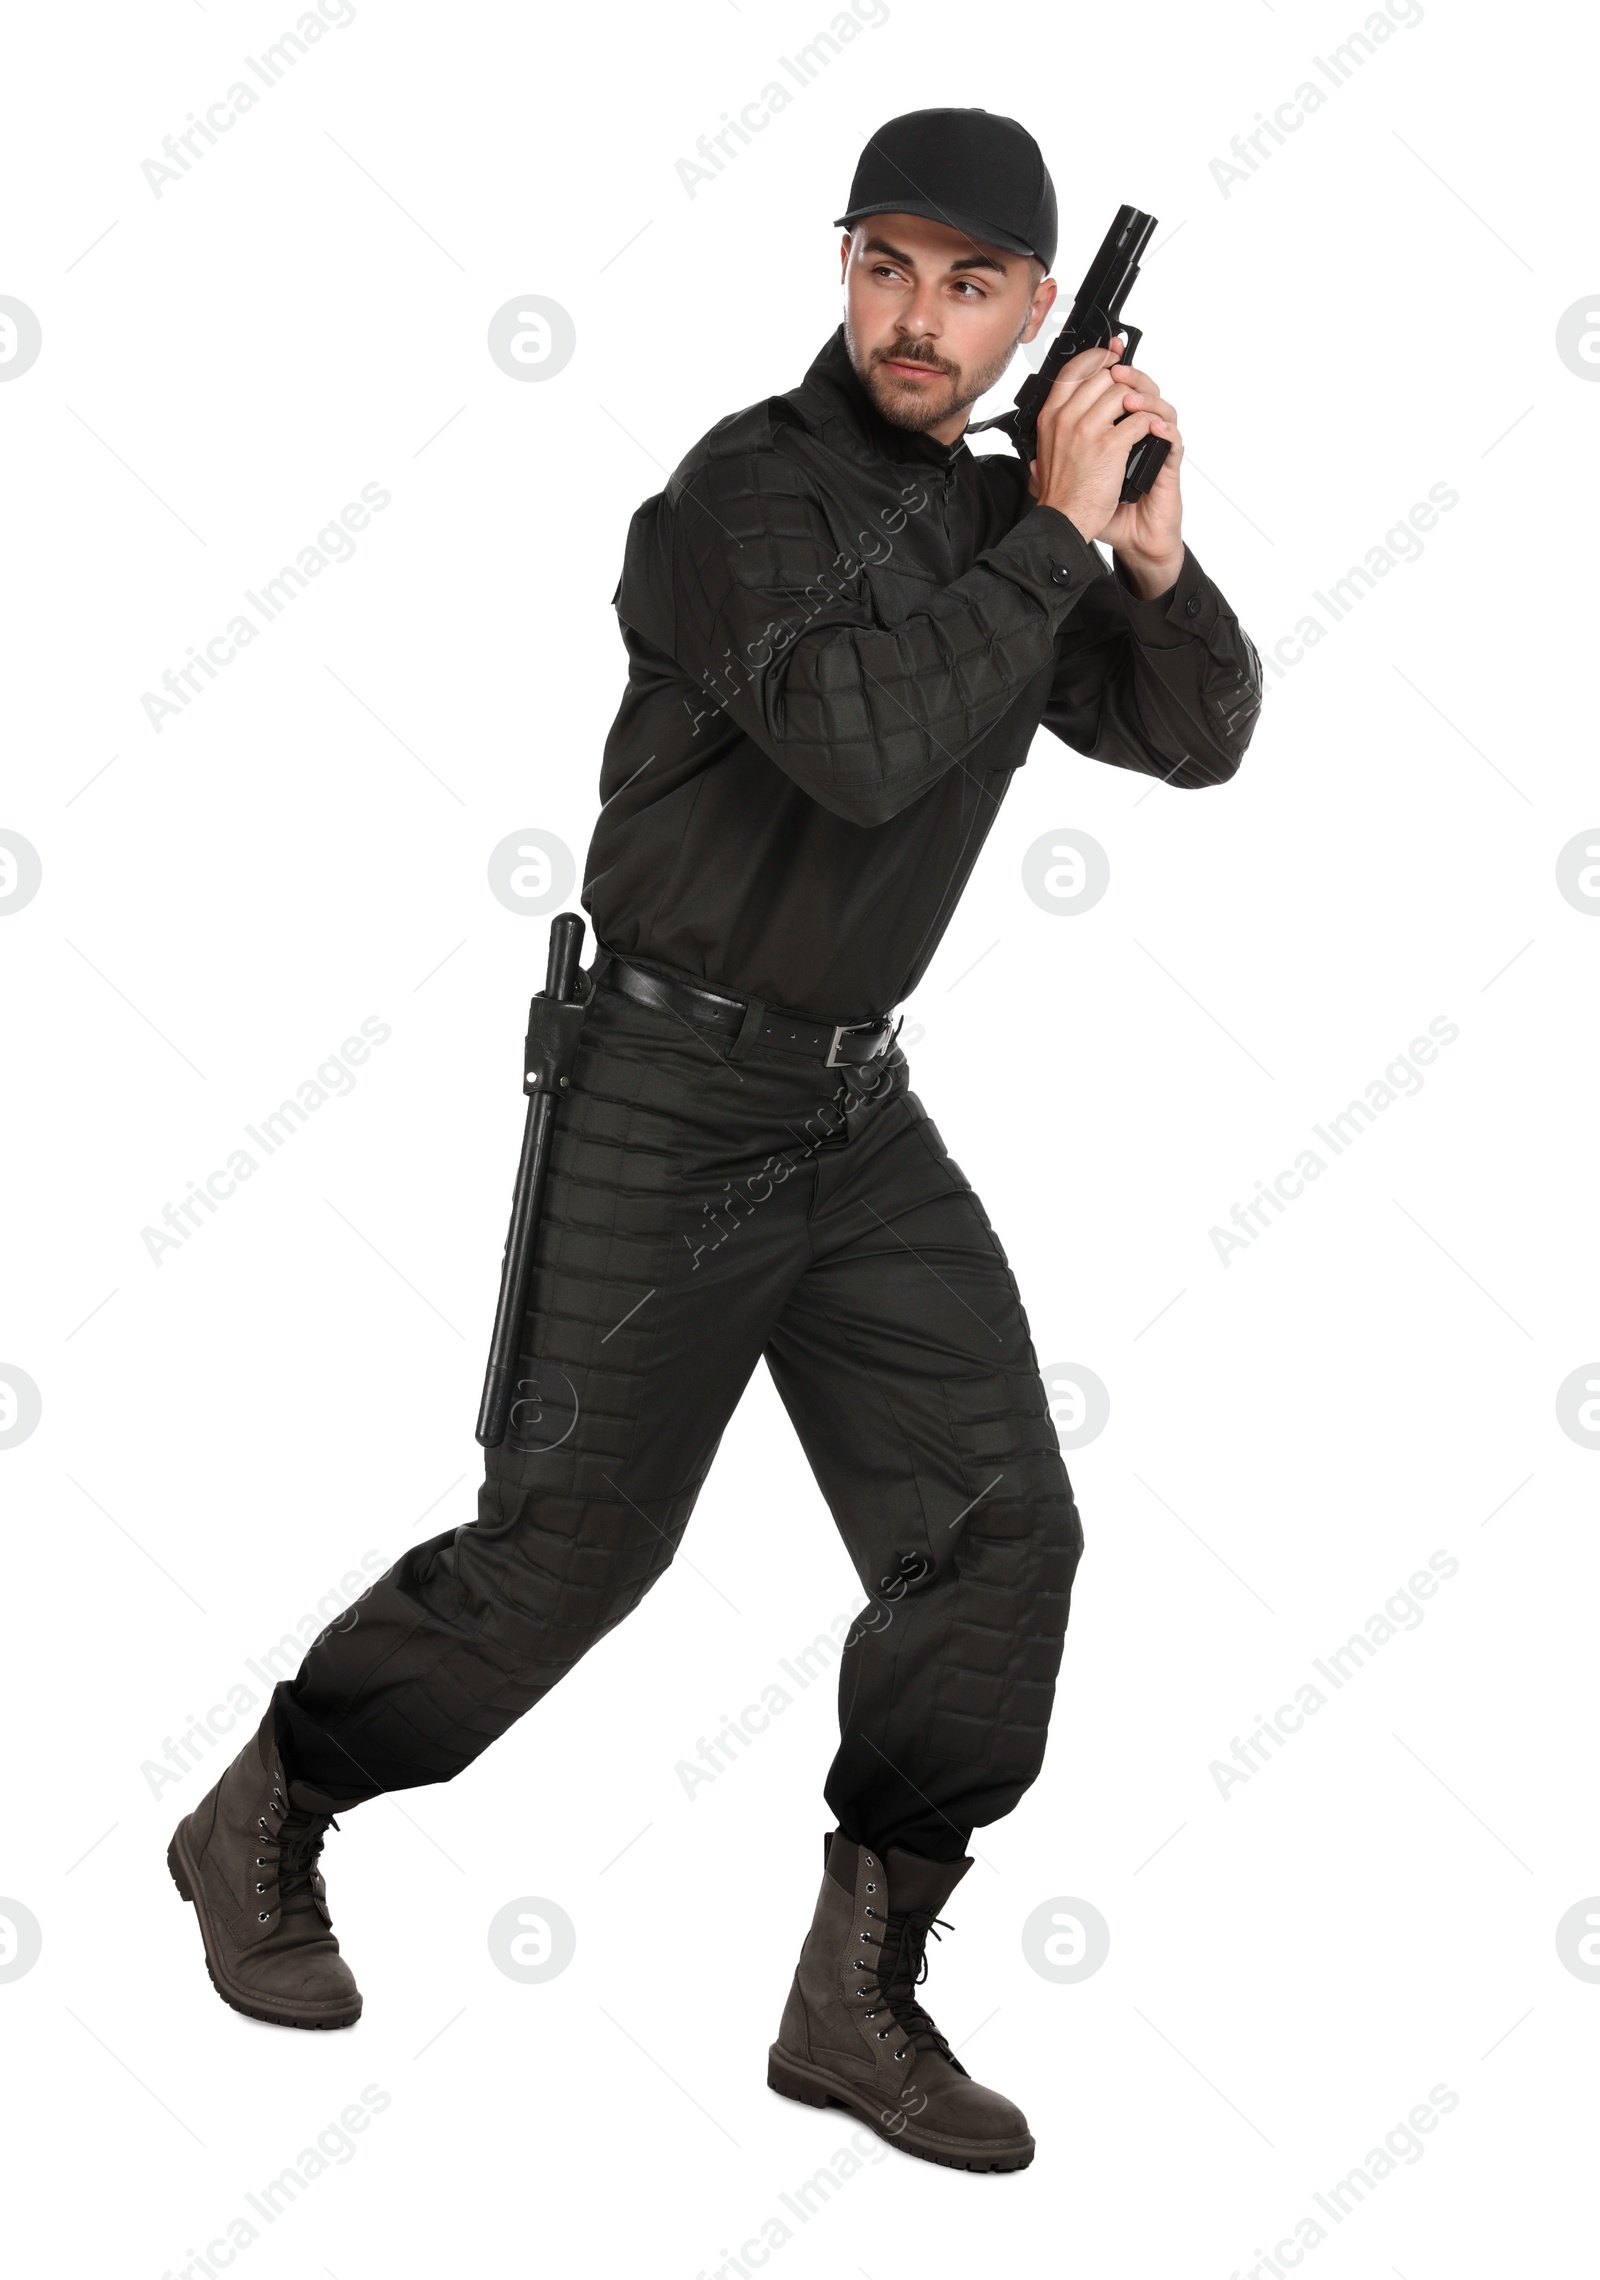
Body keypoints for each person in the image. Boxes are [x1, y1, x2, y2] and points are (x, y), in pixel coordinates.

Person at [168, 106, 1262, 2170]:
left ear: (1035, 312)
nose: (914, 317)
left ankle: (852, 1998)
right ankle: (270, 1807)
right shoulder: (733, 502)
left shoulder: (989, 523)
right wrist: (1040, 533)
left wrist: (1143, 551)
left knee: (997, 1538)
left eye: (965, 283)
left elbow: (1186, 736)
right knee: (562, 1569)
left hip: (850, 1114)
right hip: (658, 1098)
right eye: (884, 265)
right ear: (838, 266)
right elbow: (856, 754)